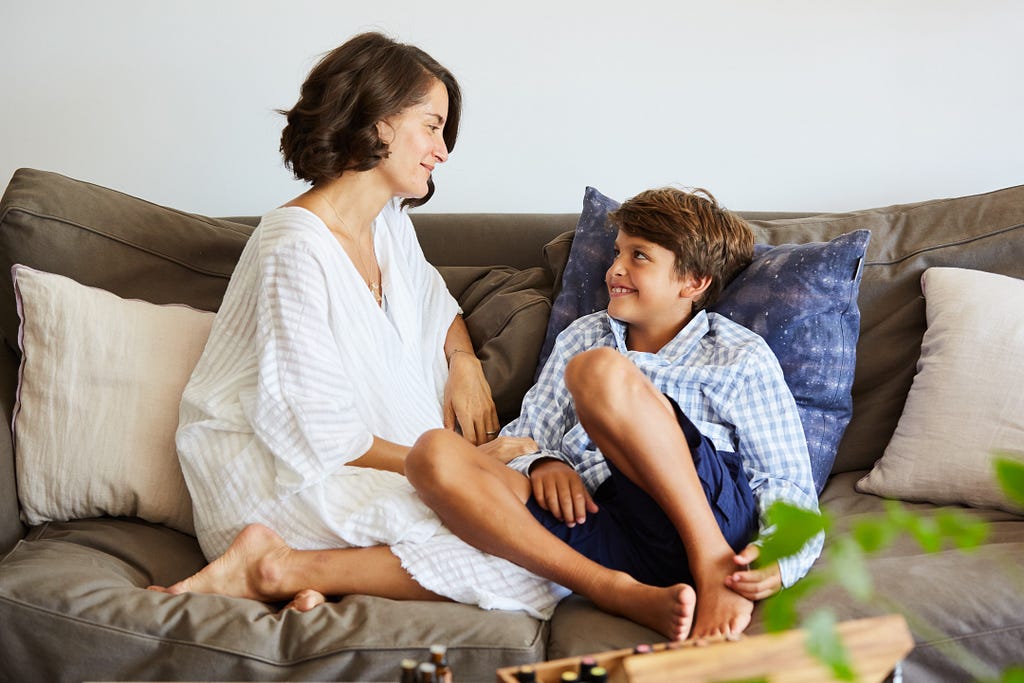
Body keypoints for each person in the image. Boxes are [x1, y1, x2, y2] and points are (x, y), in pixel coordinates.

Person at [150, 32, 568, 618]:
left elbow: (436, 304)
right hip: (279, 481)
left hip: (369, 466)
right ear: (377, 121)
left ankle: (321, 575)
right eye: (432, 125)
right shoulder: (292, 246)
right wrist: (466, 463)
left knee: (530, 530)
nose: (442, 151)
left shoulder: (388, 223)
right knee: (527, 560)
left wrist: (464, 363)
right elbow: (317, 434)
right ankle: (266, 562)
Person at [403, 187, 823, 640]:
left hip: (710, 514)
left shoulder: (739, 355)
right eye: (617, 252)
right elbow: (526, 437)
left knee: (600, 370)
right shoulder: (583, 335)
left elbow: (785, 481)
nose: (615, 269)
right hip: (606, 520)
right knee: (432, 454)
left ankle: (712, 565)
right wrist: (545, 462)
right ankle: (612, 589)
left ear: (694, 282)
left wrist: (778, 559)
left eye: (638, 256)